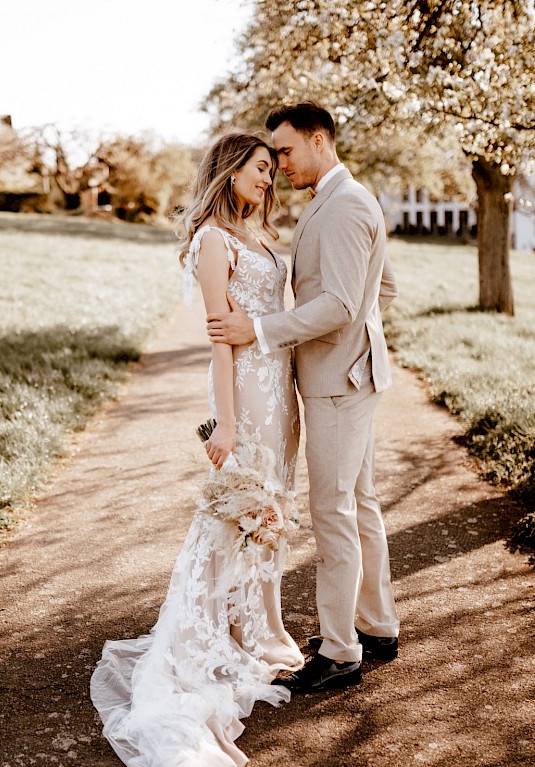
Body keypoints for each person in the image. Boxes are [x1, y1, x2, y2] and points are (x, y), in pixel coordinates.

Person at [89, 132, 304, 767]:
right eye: (260, 169)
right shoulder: (214, 239)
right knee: (235, 513)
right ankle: (222, 634)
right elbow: (219, 339)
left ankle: (259, 625)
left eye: (272, 169)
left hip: (279, 389)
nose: (269, 179)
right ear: (230, 169)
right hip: (246, 391)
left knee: (268, 508)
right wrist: (229, 425)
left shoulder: (256, 233)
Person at [207, 102, 400, 693]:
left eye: (286, 151)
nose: (280, 164)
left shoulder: (342, 206)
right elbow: (381, 289)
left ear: (319, 141)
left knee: (333, 512)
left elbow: (343, 303)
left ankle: (342, 651)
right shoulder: (339, 198)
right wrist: (361, 344)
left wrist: (264, 332)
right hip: (349, 376)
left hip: (337, 385)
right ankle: (376, 625)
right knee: (359, 502)